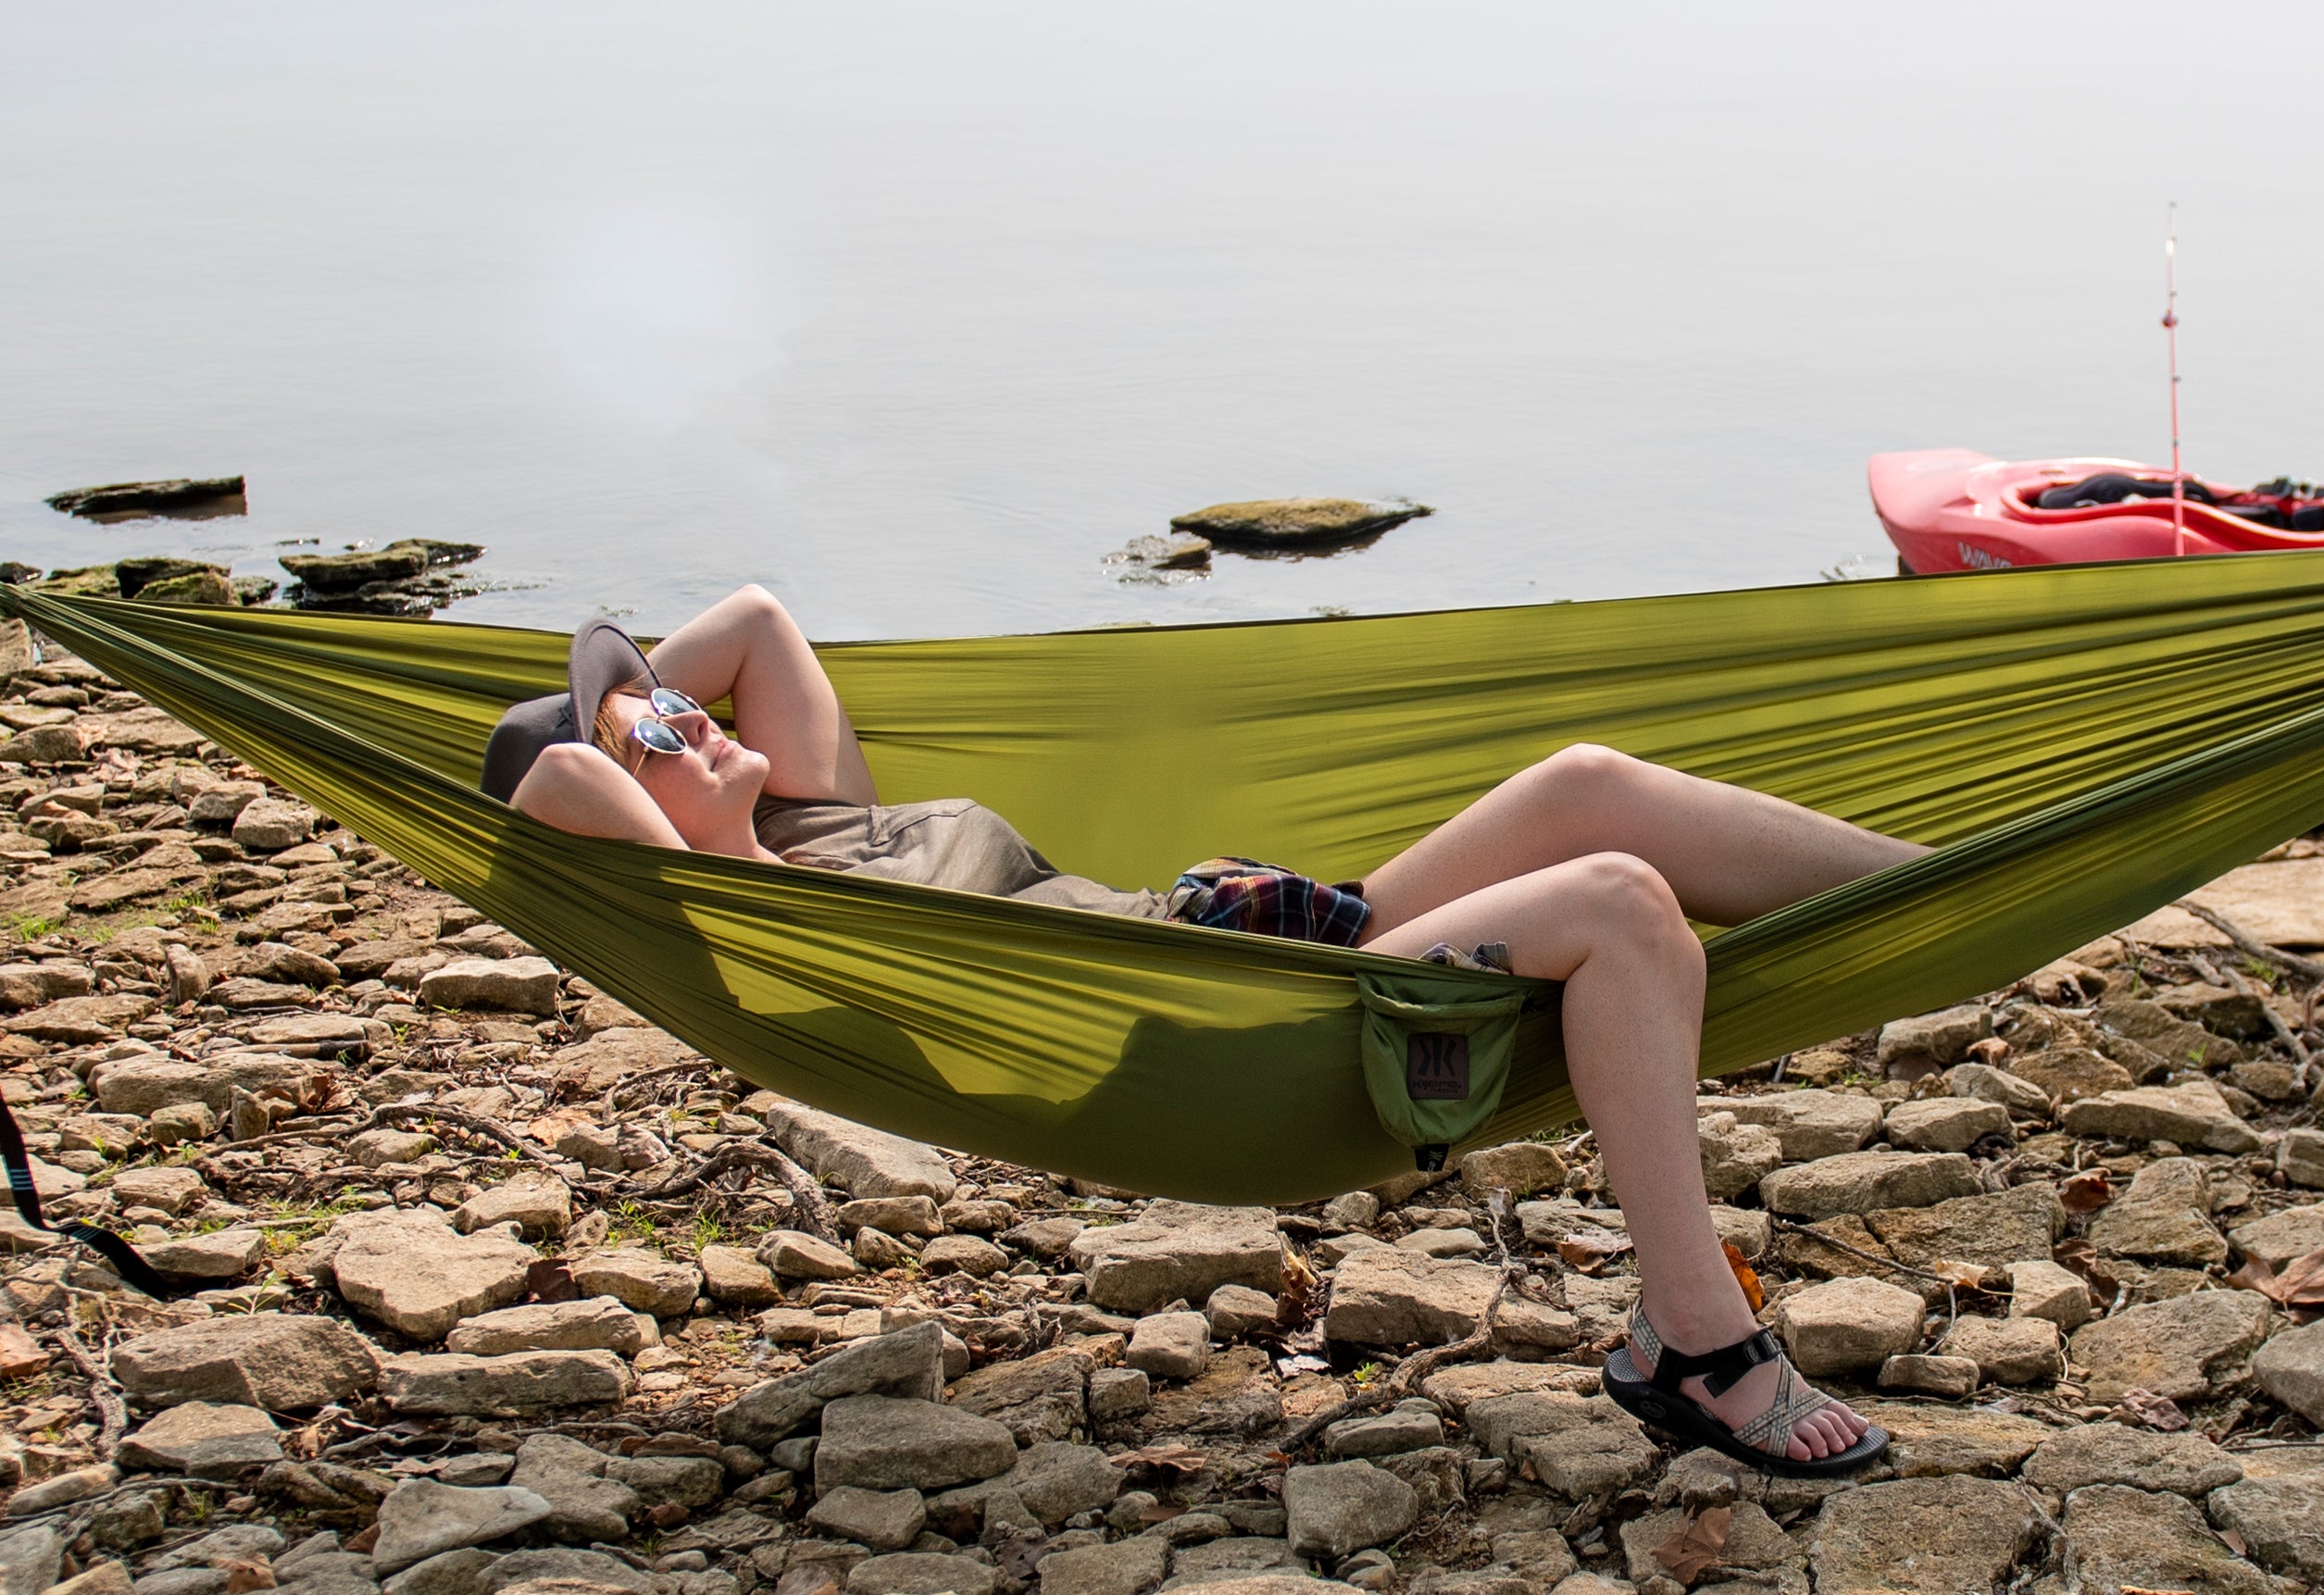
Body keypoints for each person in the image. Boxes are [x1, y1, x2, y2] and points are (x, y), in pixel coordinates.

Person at [481, 591, 1925, 1478]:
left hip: (1259, 933)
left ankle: (1976, 886)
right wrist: (634, 770)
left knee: (1589, 783)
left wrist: (636, 700)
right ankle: (1692, 1340)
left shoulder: (819, 806)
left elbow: (750, 618)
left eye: (680, 705)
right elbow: (549, 781)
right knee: (1618, 905)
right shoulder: (760, 918)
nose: (686, 716)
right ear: (631, 818)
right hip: (1218, 1033)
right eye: (652, 736)